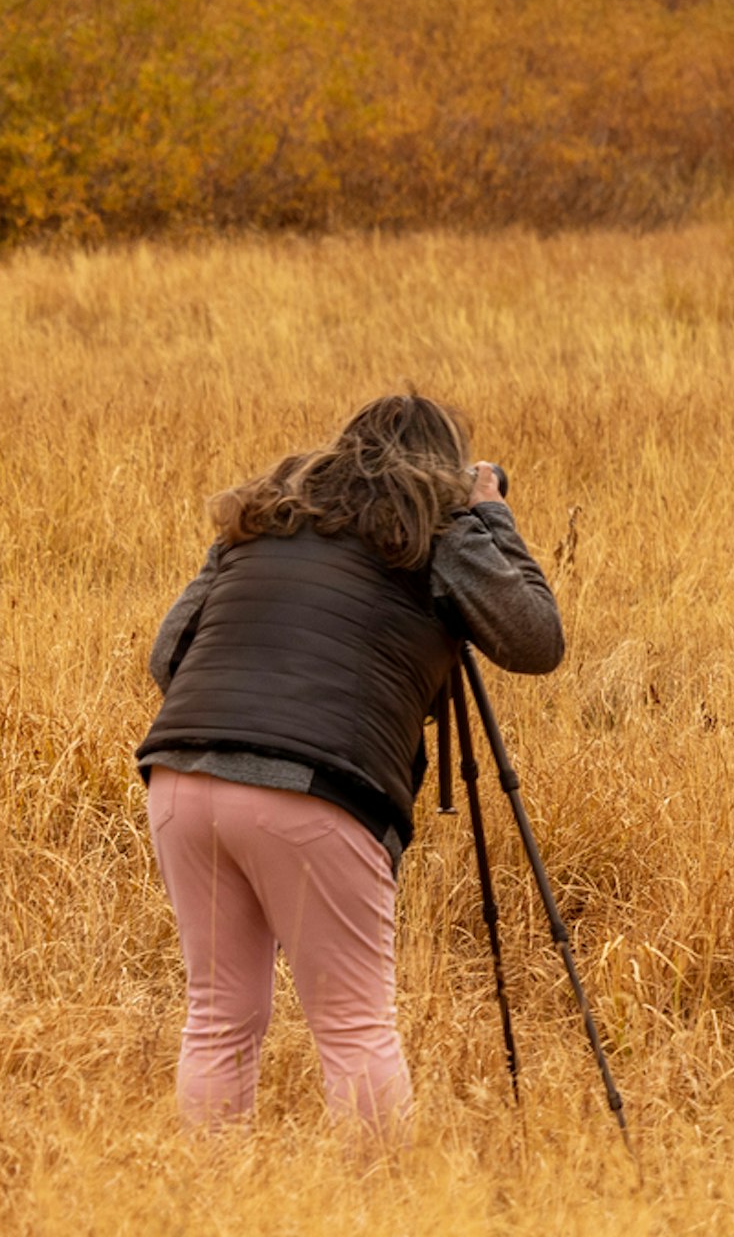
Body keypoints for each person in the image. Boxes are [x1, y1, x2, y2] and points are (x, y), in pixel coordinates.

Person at [137, 392, 564, 1130]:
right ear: (442, 471)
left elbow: (167, 657)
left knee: (217, 1019)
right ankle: (377, 1208)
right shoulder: (442, 526)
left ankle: (206, 1205)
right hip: (314, 790)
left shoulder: (262, 520)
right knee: (355, 1026)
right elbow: (535, 640)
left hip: (180, 776)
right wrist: (489, 510)